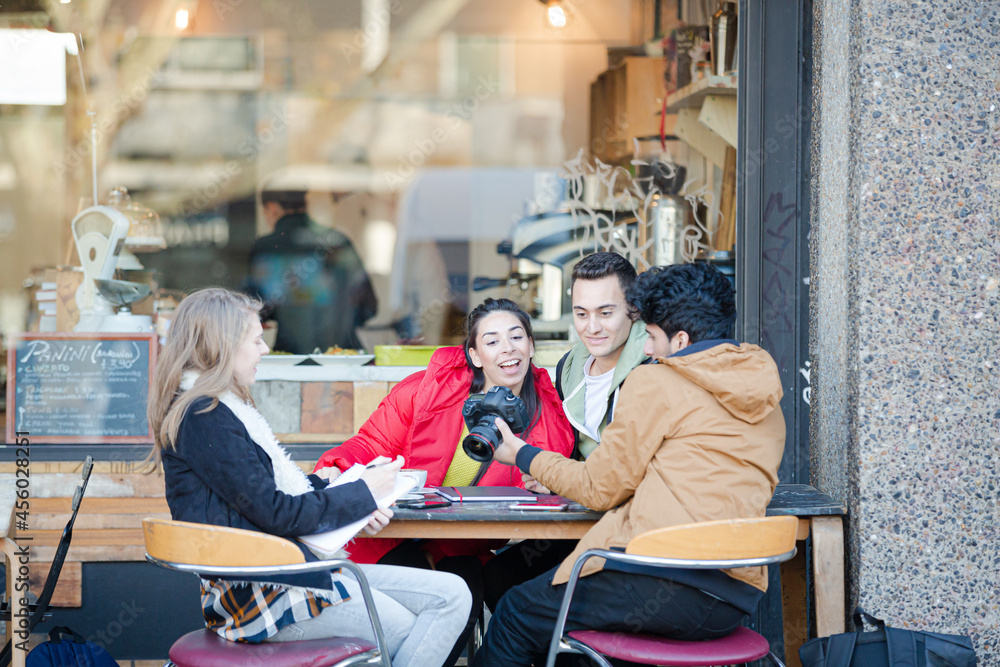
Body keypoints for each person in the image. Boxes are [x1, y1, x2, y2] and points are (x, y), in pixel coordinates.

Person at [472, 263, 786, 667]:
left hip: (665, 578)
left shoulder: (656, 381)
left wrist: (521, 454)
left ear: (682, 339)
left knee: (516, 612)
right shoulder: (765, 395)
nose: (648, 350)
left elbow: (599, 489)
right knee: (561, 629)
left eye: (652, 337)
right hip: (735, 595)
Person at [148, 287, 471, 667]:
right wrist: (362, 496)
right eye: (256, 340)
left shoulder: (214, 410)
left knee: (454, 594)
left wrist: (354, 496)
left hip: (284, 576)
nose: (265, 349)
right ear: (223, 346)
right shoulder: (206, 418)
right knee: (408, 632)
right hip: (265, 596)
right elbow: (276, 512)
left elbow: (264, 496)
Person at [313, 297, 575, 666]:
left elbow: (554, 488)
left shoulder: (550, 425)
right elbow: (369, 444)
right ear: (475, 354)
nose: (508, 349)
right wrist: (334, 468)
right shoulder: (426, 391)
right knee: (431, 610)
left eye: (517, 337)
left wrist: (548, 484)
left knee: (465, 597)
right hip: (387, 533)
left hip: (460, 547)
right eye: (493, 340)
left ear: (531, 346)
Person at [481, 251, 649, 611]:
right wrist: (553, 479)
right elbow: (576, 453)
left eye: (606, 313)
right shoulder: (569, 367)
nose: (592, 327)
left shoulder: (652, 367)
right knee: (496, 578)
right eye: (581, 314)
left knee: (523, 607)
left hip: (634, 529)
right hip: (581, 517)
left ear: (633, 310)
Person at [244, 188, 377, 353]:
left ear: (271, 208)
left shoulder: (264, 248)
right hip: (343, 356)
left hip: (291, 357)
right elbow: (369, 308)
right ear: (305, 204)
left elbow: (250, 309)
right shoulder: (338, 242)